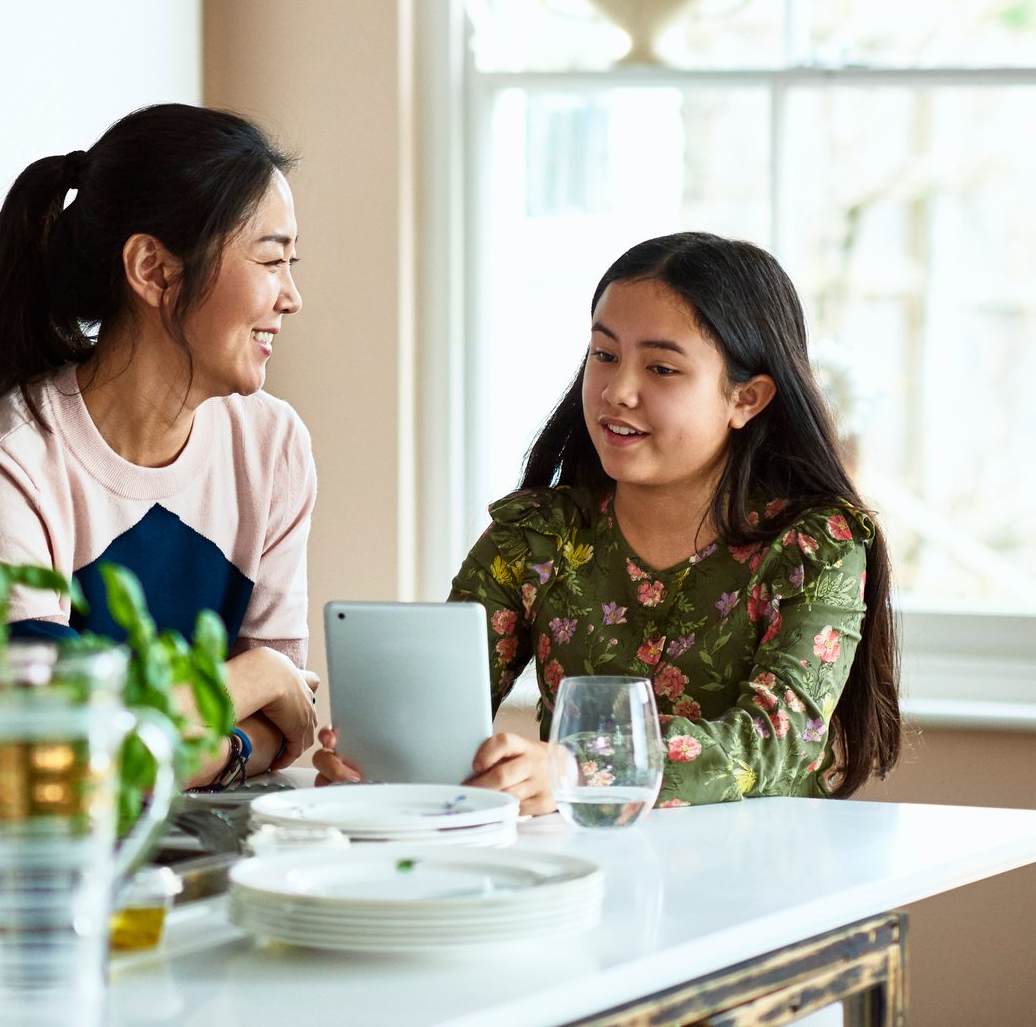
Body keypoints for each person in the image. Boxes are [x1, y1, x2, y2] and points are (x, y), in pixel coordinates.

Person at [317, 231, 901, 811]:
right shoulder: (535, 536)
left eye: (663, 369)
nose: (617, 391)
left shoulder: (815, 545)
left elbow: (776, 742)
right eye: (605, 355)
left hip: (759, 880)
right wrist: (380, 767)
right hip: (572, 870)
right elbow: (440, 714)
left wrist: (578, 770)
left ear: (745, 399)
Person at [0, 104, 320, 788]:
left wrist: (237, 715)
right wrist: (253, 678)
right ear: (153, 270)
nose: (292, 296)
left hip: (166, 847)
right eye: (271, 259)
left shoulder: (272, 444)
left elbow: (285, 723)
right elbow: (60, 749)